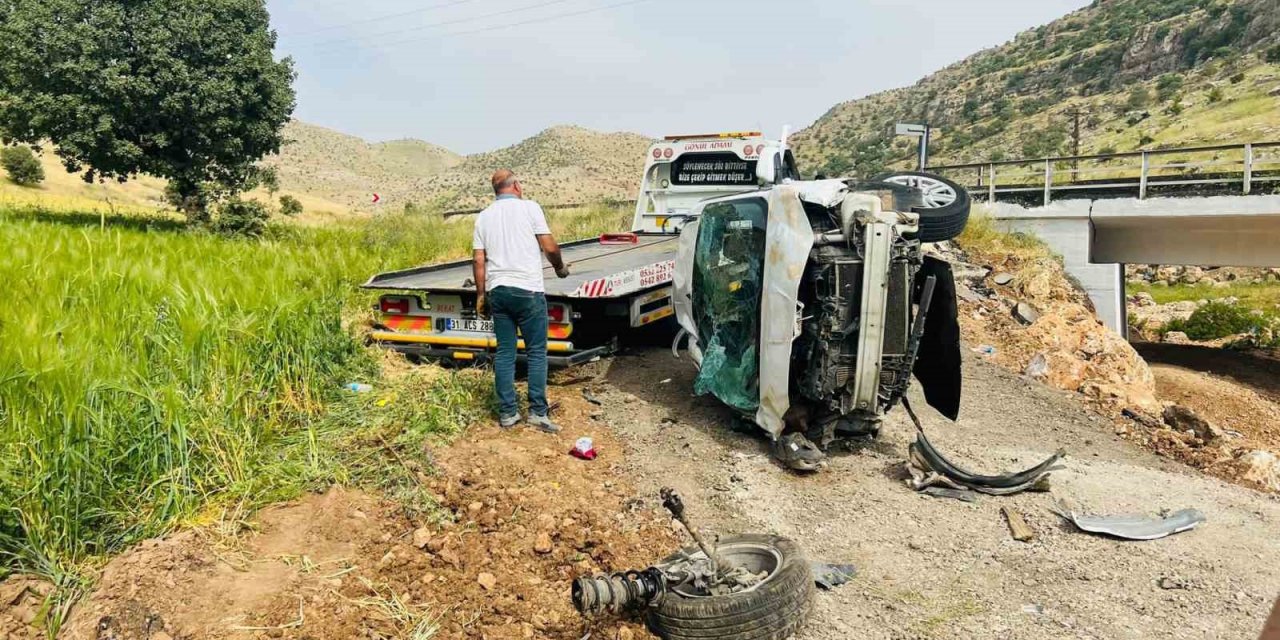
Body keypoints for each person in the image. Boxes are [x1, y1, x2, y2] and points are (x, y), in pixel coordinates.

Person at [472, 169, 570, 432]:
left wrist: (481, 295)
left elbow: (479, 259)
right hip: (528, 290)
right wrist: (560, 268)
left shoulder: (483, 217)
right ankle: (538, 412)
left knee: (505, 353)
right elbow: (549, 247)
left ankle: (508, 413)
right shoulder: (530, 208)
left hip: (499, 291)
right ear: (515, 186)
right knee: (537, 352)